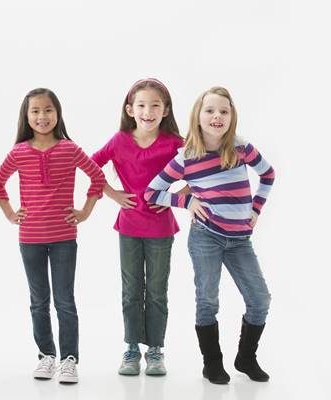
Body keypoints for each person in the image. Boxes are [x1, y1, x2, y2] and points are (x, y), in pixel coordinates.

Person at [145, 87, 274, 384]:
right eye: (210, 111)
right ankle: (212, 363)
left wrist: (255, 210)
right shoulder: (186, 158)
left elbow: (268, 174)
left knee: (260, 299)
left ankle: (245, 358)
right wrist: (187, 201)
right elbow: (152, 192)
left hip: (240, 239)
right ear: (198, 117)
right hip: (207, 237)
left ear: (232, 117)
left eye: (224, 111)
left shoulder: (241, 148)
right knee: (208, 299)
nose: (217, 116)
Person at [0, 88, 105, 384]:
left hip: (64, 237)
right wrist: (10, 213)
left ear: (58, 113)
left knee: (64, 300)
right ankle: (46, 356)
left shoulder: (70, 149)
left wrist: (85, 211)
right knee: (38, 301)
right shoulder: (18, 152)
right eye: (35, 111)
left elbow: (98, 177)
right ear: (26, 117)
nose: (42, 116)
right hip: (30, 239)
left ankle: (69, 359)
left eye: (48, 110)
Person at [91, 78, 184, 376]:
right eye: (141, 105)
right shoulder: (119, 140)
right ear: (130, 109)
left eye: (155, 105)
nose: (148, 111)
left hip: (161, 229)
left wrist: (176, 196)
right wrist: (113, 193)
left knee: (157, 291)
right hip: (129, 227)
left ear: (166, 110)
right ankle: (131, 347)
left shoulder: (174, 143)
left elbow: (202, 169)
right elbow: (91, 165)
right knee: (131, 291)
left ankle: (155, 350)